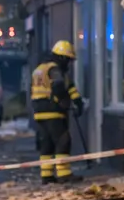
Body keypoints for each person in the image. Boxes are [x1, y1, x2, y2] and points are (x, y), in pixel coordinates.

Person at [30, 40, 84, 183]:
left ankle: (46, 175)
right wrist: (66, 102)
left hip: (39, 112)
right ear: (61, 57)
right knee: (63, 139)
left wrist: (77, 100)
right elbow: (60, 86)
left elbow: (69, 86)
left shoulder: (40, 69)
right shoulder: (55, 69)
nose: (69, 64)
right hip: (53, 111)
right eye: (68, 60)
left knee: (47, 143)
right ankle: (64, 173)